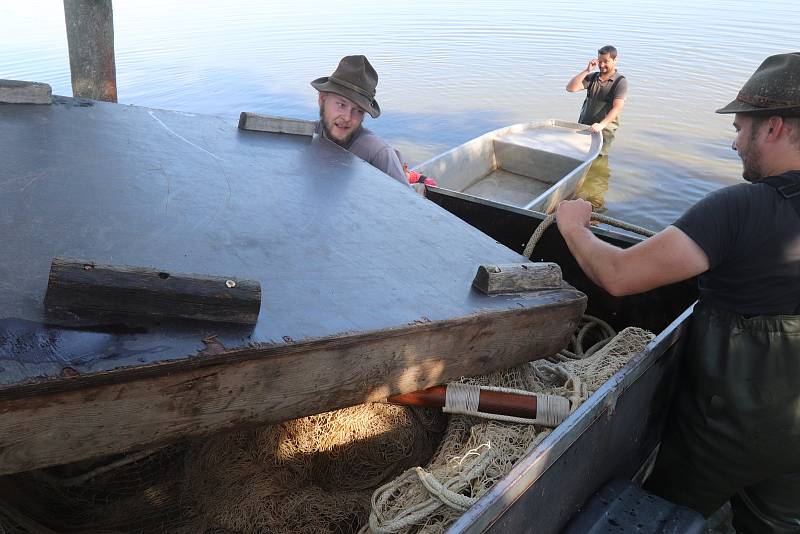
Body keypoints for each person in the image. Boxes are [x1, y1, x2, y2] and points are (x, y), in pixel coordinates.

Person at [555, 52, 800, 533]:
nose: (734, 141)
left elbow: (619, 275)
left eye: (741, 126)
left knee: (659, 514)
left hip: (725, 429)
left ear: (772, 128)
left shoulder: (739, 209)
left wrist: (573, 225)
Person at [311, 55, 407, 185]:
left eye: (358, 110)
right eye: (341, 104)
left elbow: (405, 202)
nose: (347, 117)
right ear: (322, 99)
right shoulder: (306, 136)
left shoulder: (378, 154)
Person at [566, 45, 628, 155]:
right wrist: (587, 70)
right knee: (578, 156)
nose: (602, 65)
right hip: (584, 128)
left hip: (604, 131)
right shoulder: (592, 77)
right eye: (600, 61)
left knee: (598, 160)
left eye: (606, 61)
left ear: (615, 60)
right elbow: (570, 88)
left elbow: (617, 108)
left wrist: (601, 125)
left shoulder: (620, 82)